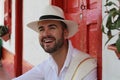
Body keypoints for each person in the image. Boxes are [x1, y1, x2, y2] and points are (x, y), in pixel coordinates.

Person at [13, 5, 97, 80]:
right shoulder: (48, 65)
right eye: (41, 29)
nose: (46, 34)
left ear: (65, 33)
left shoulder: (85, 65)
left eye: (52, 27)